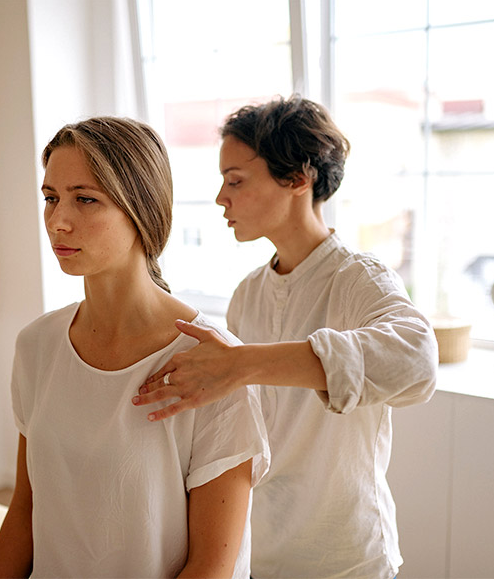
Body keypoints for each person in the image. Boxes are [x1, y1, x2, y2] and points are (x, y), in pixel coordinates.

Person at [132, 95, 439, 578]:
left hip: (345, 557)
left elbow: (417, 362)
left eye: (235, 180)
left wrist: (243, 362)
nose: (220, 198)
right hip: (262, 548)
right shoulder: (247, 294)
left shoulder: (360, 280)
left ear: (298, 178)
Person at [0, 117, 269, 579]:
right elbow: (24, 510)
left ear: (141, 209)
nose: (57, 221)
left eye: (85, 199)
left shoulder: (213, 365)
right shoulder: (36, 346)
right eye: (51, 198)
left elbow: (211, 567)